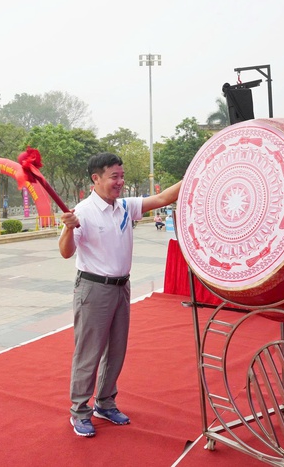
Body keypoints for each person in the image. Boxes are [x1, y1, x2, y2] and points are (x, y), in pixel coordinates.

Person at [58, 152, 181, 438]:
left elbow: (162, 199)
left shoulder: (124, 207)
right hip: (93, 289)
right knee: (89, 353)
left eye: (121, 176)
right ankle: (79, 411)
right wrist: (67, 228)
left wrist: (196, 175)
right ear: (96, 179)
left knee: (116, 350)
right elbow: (66, 252)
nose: (120, 182)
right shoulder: (83, 212)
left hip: (121, 287)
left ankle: (105, 402)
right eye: (114, 176)